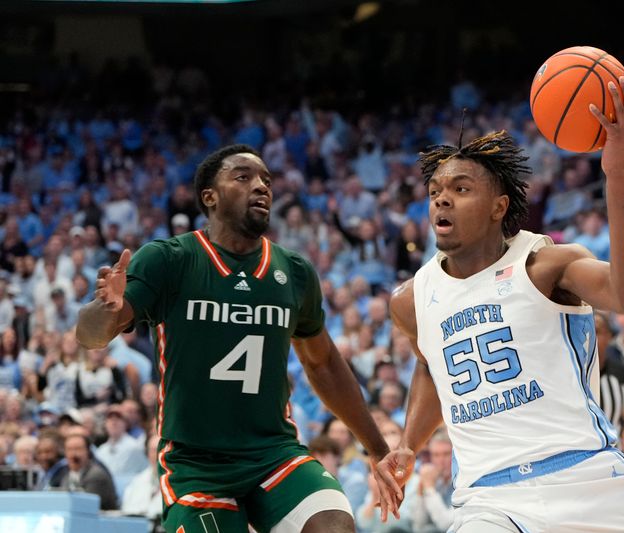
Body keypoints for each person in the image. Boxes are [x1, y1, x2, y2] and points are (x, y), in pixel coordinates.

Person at [376, 78, 624, 531]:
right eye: (434, 192)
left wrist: (617, 172)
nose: (441, 198)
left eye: (461, 188)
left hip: (587, 481)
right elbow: (432, 365)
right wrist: (409, 441)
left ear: (498, 206)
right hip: (488, 496)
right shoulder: (411, 299)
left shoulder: (547, 265)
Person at [76, 144, 396, 533]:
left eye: (266, 179)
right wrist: (103, 310)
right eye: (243, 177)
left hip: (273, 454)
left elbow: (323, 362)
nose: (261, 186)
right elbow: (92, 337)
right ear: (209, 196)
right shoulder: (170, 259)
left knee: (335, 526)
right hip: (196, 464)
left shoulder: (293, 271)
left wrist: (378, 449)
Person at [57, 433, 118, 510]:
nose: (73, 454)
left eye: (78, 449)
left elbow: (87, 507)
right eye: (69, 449)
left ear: (88, 452)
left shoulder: (96, 475)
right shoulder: (66, 476)